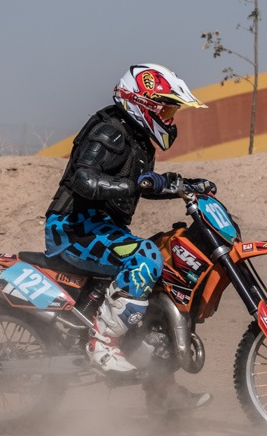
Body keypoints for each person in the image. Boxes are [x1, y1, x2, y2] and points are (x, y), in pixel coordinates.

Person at [44, 63, 213, 412]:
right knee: (146, 256)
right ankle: (102, 343)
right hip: (74, 228)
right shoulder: (110, 130)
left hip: (103, 231)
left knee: (163, 276)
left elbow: (144, 185)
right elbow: (83, 180)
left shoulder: (138, 140)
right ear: (142, 104)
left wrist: (185, 186)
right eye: (165, 110)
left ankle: (163, 392)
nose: (169, 118)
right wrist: (135, 184)